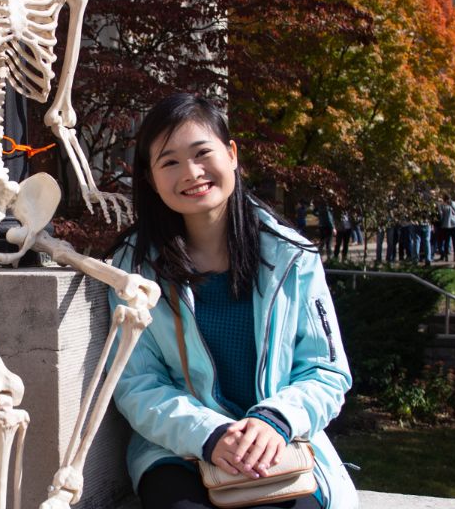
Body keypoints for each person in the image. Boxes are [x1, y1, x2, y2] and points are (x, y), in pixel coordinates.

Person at [109, 93, 357, 509]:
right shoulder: (135, 268)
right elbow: (136, 383)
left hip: (278, 445)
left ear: (232, 154)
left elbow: (326, 371)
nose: (191, 173)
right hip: (179, 449)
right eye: (169, 162)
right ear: (151, 179)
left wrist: (273, 422)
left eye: (202, 153)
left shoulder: (291, 258)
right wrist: (210, 434)